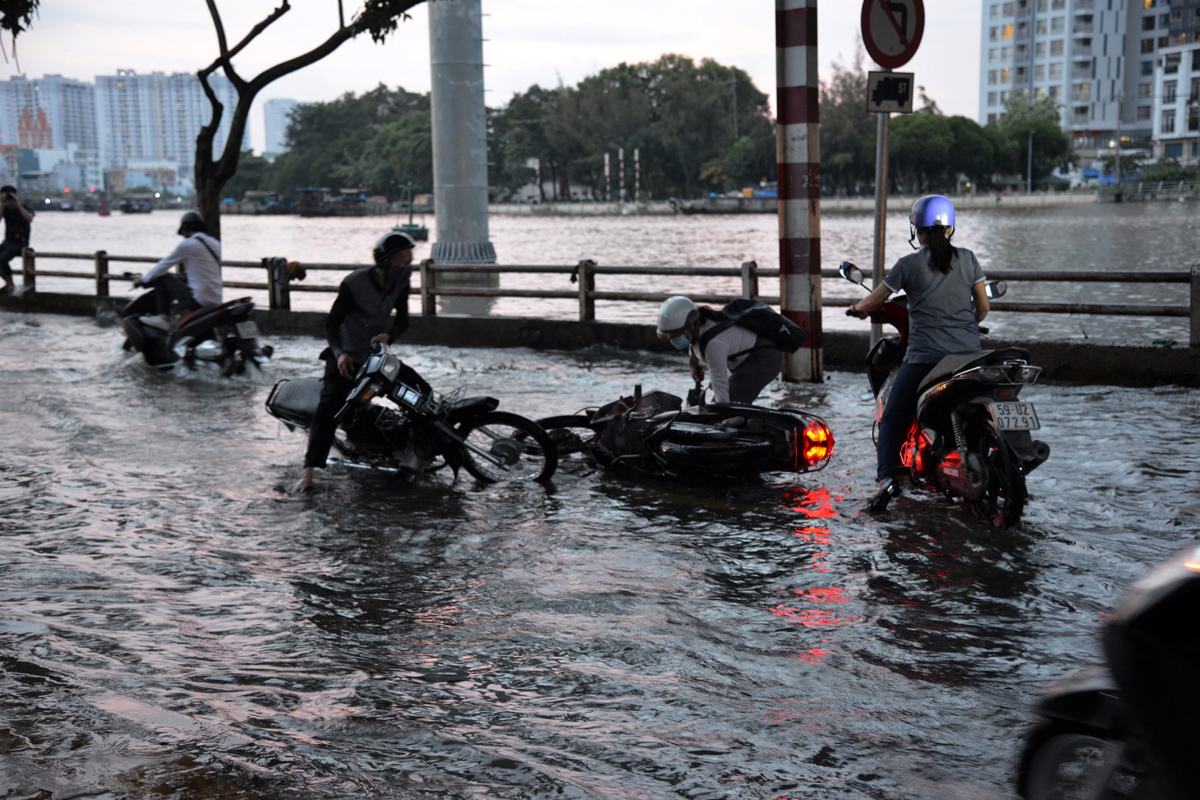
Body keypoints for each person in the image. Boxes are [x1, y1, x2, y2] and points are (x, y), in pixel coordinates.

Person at [847, 194, 990, 514]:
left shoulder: (908, 265)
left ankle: (886, 480)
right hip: (969, 356)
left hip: (926, 357)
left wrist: (857, 309)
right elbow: (982, 308)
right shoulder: (968, 259)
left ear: (917, 231)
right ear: (950, 229)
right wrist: (967, 326)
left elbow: (874, 301)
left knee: (891, 419)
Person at [296, 231, 420, 493]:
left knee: (419, 390)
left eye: (410, 261)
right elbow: (331, 324)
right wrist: (340, 353)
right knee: (329, 408)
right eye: (402, 260)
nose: (407, 267)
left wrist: (391, 335)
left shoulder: (401, 284)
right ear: (385, 261)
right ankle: (308, 472)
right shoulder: (354, 283)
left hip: (377, 356)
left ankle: (417, 449)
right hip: (346, 355)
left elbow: (404, 320)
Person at [655, 295, 783, 405]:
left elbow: (720, 384)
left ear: (692, 325)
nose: (675, 340)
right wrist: (693, 365)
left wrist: (721, 415)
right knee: (729, 401)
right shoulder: (700, 328)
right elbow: (694, 346)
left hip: (765, 359)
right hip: (746, 360)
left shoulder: (713, 344)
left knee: (722, 405)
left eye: (678, 335)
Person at [133, 211, 222, 329]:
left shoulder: (188, 244)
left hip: (198, 301)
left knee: (162, 277)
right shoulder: (215, 243)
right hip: (216, 299)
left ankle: (163, 317)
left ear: (186, 228)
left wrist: (143, 280)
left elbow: (163, 266)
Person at [0, 185, 34, 296]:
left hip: (21, 242)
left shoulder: (24, 207)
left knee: (2, 259)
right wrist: (2, 203)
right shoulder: (4, 209)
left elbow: (29, 219)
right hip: (8, 241)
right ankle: (9, 283)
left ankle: (10, 285)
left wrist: (17, 204)